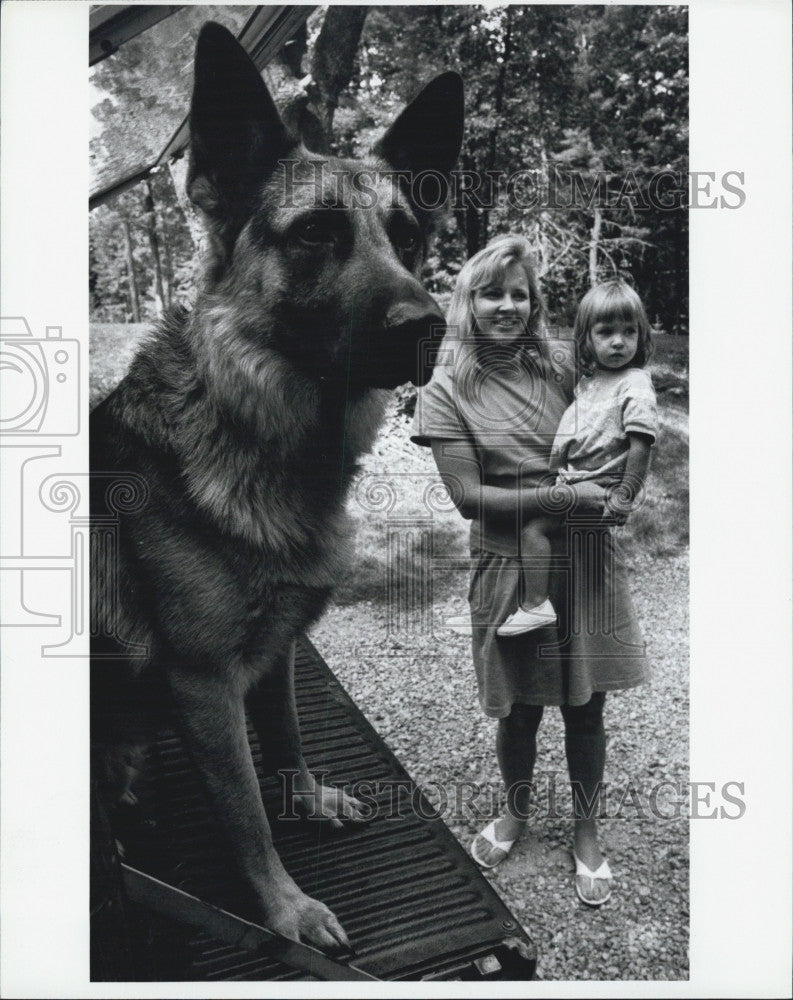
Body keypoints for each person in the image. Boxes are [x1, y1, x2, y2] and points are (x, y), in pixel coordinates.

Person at [411, 236, 651, 905]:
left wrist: (616, 484)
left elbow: (623, 409)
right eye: (492, 292)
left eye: (519, 293)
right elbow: (467, 499)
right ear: (467, 301)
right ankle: (515, 811)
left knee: (586, 708)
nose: (507, 305)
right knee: (516, 712)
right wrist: (561, 497)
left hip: (585, 561)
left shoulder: (557, 369)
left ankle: (585, 829)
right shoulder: (443, 392)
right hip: (507, 566)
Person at [478, 279, 658, 637]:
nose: (619, 341)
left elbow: (641, 445)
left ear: (642, 336)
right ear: (587, 338)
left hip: (602, 484)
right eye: (606, 332)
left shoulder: (634, 383)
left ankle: (535, 604)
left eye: (629, 331)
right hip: (579, 480)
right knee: (570, 553)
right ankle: (543, 616)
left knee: (534, 530)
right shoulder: (594, 380)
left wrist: (625, 495)